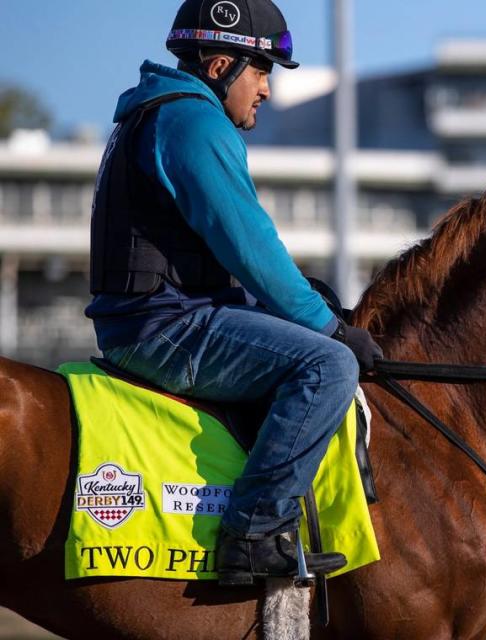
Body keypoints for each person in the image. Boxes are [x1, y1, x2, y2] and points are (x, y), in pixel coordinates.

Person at [85, 0, 382, 586]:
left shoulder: (159, 114)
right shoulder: (193, 122)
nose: (266, 90)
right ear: (221, 64)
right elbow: (251, 247)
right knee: (327, 367)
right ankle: (253, 534)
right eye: (261, 71)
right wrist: (330, 330)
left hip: (160, 315)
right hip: (164, 327)